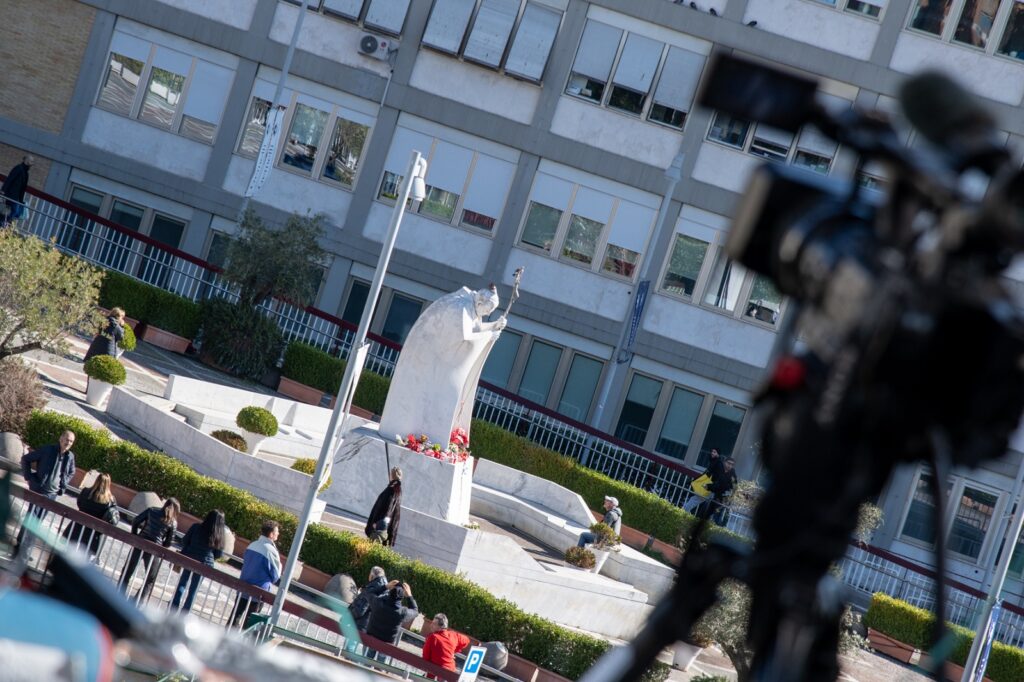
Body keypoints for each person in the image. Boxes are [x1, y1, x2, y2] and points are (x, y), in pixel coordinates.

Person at [17, 430, 76, 549]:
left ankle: (26, 546)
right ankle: (21, 544)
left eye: (71, 441)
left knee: (38, 521)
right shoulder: (48, 450)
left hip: (52, 494)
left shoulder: (70, 456)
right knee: (32, 518)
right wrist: (28, 477)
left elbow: (71, 472)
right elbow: (26, 459)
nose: (68, 443)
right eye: (67, 439)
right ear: (61, 438)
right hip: (39, 490)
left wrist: (63, 483)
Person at [119, 497, 179, 603]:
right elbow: (169, 542)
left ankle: (119, 594)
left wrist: (135, 535)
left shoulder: (152, 510)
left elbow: (136, 520)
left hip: (141, 542)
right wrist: (162, 546)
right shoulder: (172, 522)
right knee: (150, 579)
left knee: (128, 570)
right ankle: (137, 601)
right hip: (155, 549)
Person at [171, 509, 227, 613]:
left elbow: (184, 541)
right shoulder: (219, 536)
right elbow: (218, 555)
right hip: (205, 564)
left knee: (182, 583)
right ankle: (185, 612)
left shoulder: (196, 527)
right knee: (194, 589)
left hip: (189, 557)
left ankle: (173, 608)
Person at [231, 520, 282, 628]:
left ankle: (227, 640)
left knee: (234, 617)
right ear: (271, 534)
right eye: (277, 532)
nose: (278, 534)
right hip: (259, 592)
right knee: (249, 624)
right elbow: (276, 575)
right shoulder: (271, 551)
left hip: (243, 586)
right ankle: (242, 644)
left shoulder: (252, 545)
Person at [63, 472, 120, 561]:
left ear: (96, 480)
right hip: (94, 532)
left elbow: (79, 503)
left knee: (68, 550)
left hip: (78, 524)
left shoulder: (86, 491)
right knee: (86, 558)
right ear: (108, 484)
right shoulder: (110, 499)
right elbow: (112, 515)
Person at [365, 579, 419, 646]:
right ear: (401, 598)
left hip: (370, 639)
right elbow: (415, 611)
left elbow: (368, 593)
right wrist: (409, 596)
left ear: (390, 592)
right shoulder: (402, 612)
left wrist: (386, 586)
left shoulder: (378, 603)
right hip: (386, 645)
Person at [365, 467, 402, 546]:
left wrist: (378, 523)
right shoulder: (397, 489)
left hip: (380, 526)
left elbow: (388, 508)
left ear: (392, 475)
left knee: (374, 545)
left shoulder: (391, 489)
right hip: (386, 524)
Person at [698, 457, 738, 525]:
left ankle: (717, 526)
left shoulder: (732, 473)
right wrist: (709, 486)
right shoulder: (719, 469)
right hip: (713, 492)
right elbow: (716, 482)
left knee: (718, 514)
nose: (730, 466)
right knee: (705, 509)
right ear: (724, 462)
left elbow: (733, 485)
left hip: (723, 496)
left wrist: (730, 493)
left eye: (732, 464)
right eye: (729, 463)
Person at [683, 448, 723, 513]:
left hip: (709, 487)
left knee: (695, 499)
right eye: (712, 451)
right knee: (695, 499)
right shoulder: (715, 462)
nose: (712, 453)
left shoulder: (718, 464)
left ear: (718, 454)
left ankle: (684, 512)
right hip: (708, 487)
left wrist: (710, 486)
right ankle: (684, 511)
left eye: (715, 452)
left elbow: (715, 477)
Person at [349, 566, 388, 632]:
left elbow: (360, 610)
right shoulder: (386, 590)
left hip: (360, 626)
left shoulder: (371, 588)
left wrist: (347, 616)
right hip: (373, 627)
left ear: (372, 575)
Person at [1, 155, 32, 226]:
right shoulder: (18, 168)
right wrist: (3, 190)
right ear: (26, 161)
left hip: (16, 196)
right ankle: (4, 223)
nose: (31, 164)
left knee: (13, 211)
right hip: (11, 194)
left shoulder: (26, 173)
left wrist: (21, 200)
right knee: (14, 210)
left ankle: (5, 223)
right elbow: (10, 179)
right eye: (31, 161)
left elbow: (23, 188)